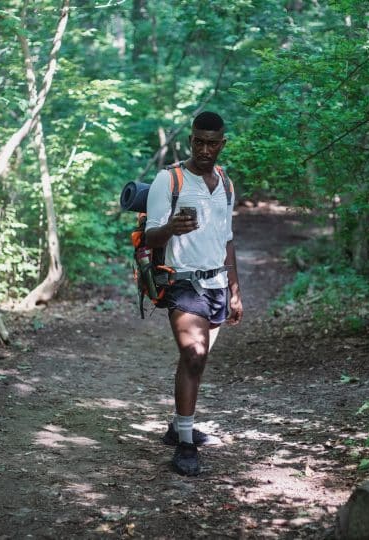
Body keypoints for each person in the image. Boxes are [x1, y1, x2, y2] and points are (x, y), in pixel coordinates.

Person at [144, 111, 243, 476]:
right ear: (190, 140)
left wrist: (235, 290)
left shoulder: (226, 183)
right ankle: (185, 444)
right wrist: (170, 227)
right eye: (198, 141)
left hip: (217, 283)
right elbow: (151, 234)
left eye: (211, 143)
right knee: (194, 353)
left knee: (194, 362)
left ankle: (177, 426)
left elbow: (227, 239)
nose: (204, 149)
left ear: (222, 144)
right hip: (182, 281)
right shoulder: (169, 180)